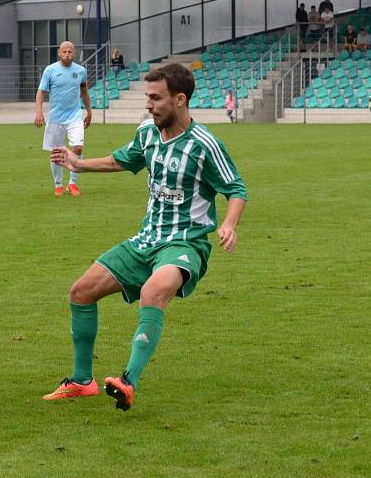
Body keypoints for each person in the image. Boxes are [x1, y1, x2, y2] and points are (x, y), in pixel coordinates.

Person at [42, 63, 248, 412]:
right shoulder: (147, 133)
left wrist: (229, 224)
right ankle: (81, 381)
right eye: (147, 98)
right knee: (81, 291)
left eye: (156, 98)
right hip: (146, 239)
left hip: (185, 242)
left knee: (153, 291)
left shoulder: (204, 144)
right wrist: (78, 164)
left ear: (180, 100)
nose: (149, 105)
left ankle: (128, 381)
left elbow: (236, 189)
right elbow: (121, 160)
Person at [35, 40, 93, 197]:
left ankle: (72, 183)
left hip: (75, 116)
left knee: (78, 147)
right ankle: (58, 185)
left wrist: (89, 111)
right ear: (59, 53)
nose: (67, 54)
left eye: (70, 52)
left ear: (74, 53)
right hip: (55, 119)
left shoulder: (80, 71)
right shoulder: (50, 70)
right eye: (64, 51)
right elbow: (41, 92)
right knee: (56, 153)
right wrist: (39, 112)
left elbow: (84, 92)